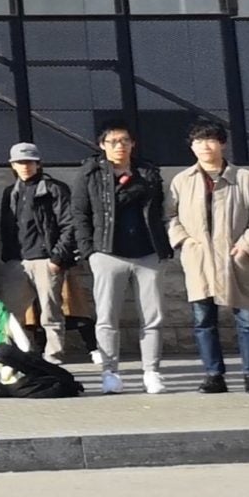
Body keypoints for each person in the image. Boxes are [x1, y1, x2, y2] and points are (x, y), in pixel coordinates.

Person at [168, 118, 249, 394]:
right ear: (192, 146)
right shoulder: (182, 180)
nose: (205, 146)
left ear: (222, 144)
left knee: (247, 320)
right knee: (203, 320)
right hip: (199, 260)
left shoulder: (246, 179)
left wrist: (248, 245)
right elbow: (170, 216)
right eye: (198, 141)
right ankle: (214, 375)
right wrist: (184, 242)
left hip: (237, 258)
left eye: (210, 140)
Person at [76, 121, 173, 395]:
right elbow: (79, 214)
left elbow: (160, 210)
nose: (120, 146)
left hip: (148, 252)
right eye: (113, 142)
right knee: (107, 316)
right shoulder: (90, 173)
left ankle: (151, 371)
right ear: (102, 145)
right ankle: (110, 372)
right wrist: (89, 251)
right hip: (107, 252)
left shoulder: (148, 172)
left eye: (125, 141)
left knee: (153, 316)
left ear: (133, 144)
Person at [0, 143, 82, 367]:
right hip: (18, 261)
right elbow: (7, 226)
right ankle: (15, 356)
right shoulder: (10, 192)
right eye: (19, 162)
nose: (25, 166)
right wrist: (8, 256)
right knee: (10, 313)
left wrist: (57, 258)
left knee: (50, 314)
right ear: (12, 165)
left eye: (29, 162)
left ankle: (53, 358)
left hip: (46, 260)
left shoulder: (55, 189)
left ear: (38, 163)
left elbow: (69, 225)